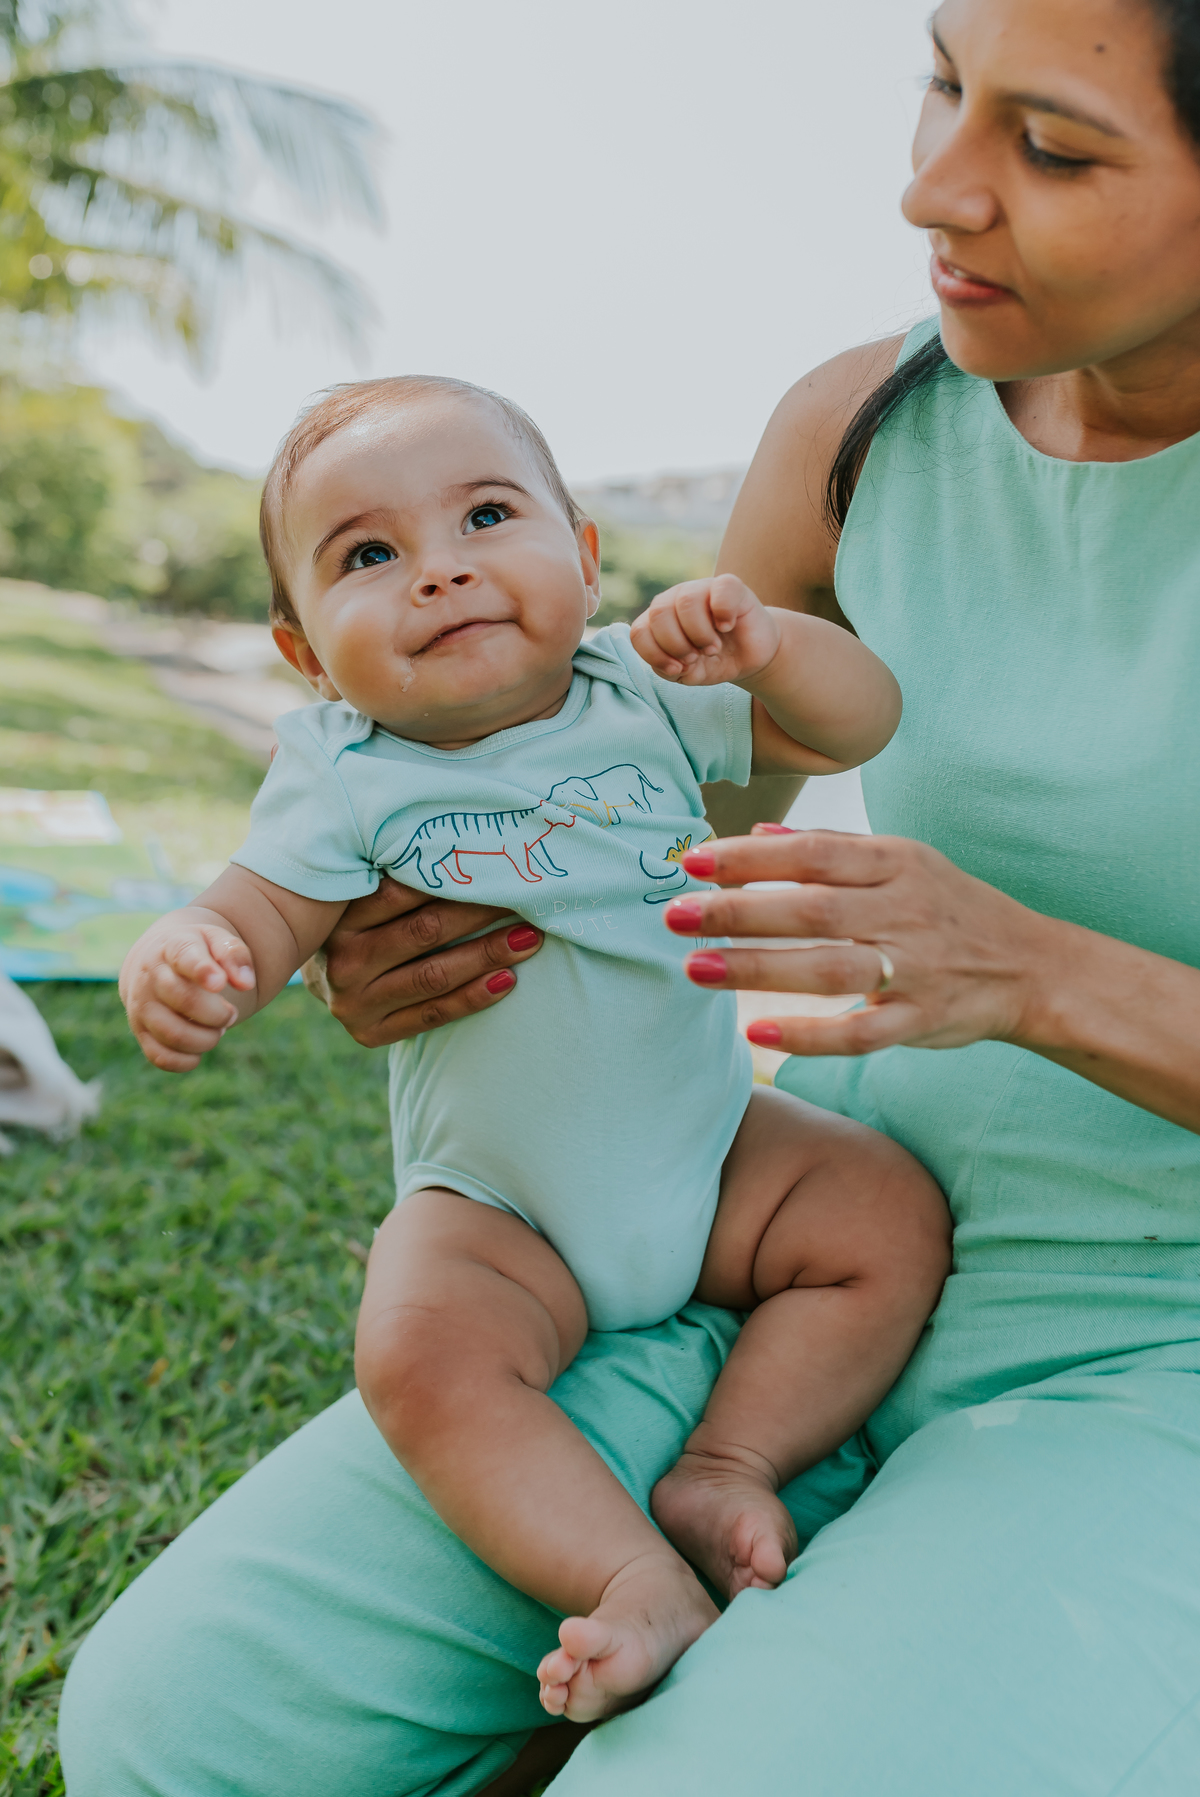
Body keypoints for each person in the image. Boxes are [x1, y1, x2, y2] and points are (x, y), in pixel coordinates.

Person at [59, 0, 1200, 1789]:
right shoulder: (868, 421)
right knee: (174, 1731)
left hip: (1156, 1348)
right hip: (754, 1240)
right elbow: (674, 786)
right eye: (944, 86)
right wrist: (389, 917)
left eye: (1051, 148)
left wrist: (1041, 974)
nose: (932, 190)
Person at [118, 373, 948, 1720]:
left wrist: (772, 647)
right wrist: (195, 956)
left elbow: (863, 719)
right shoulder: (346, 767)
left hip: (716, 1151)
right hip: (505, 1215)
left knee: (885, 1212)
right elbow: (258, 910)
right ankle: (630, 1574)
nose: (439, 573)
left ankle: (729, 1458)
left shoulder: (643, 689)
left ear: (583, 556)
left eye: (486, 516)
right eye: (369, 555)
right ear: (307, 652)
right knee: (416, 1347)